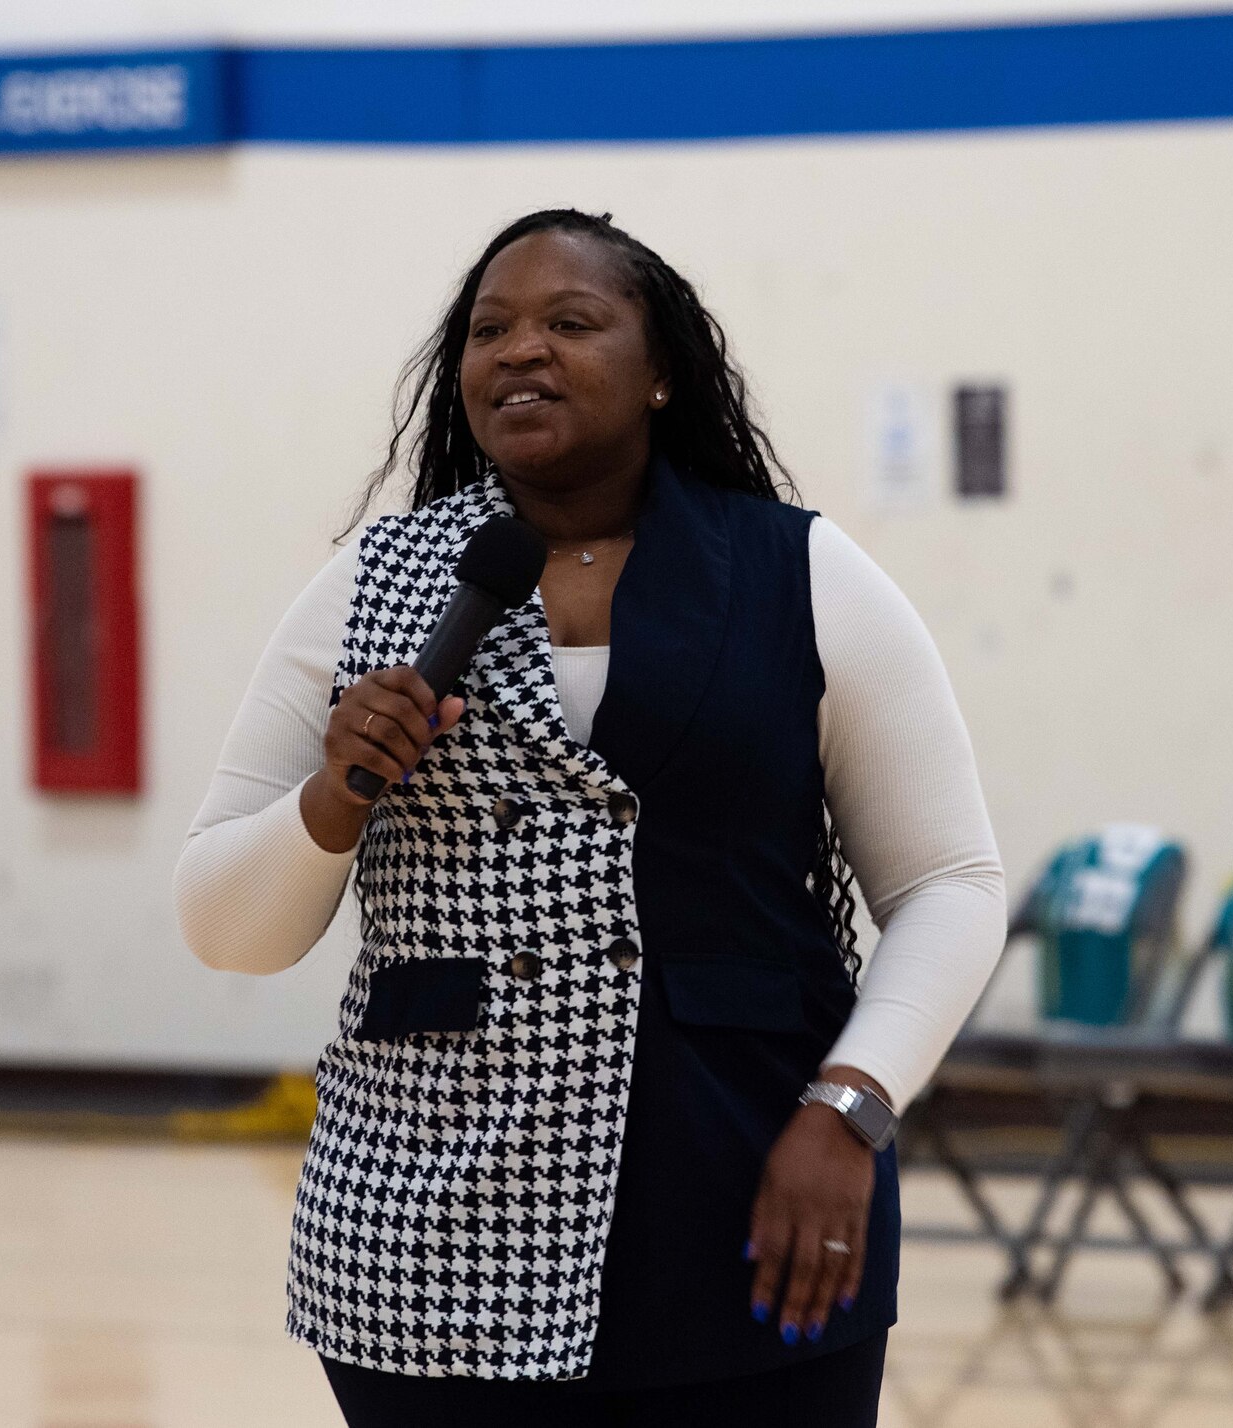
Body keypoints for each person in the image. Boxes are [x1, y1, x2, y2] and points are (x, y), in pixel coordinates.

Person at [173, 208, 1005, 1426]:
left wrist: (849, 1107)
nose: (520, 351)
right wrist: (328, 798)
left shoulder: (801, 573)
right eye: (489, 330)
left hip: (756, 1192)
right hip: (426, 1231)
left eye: (570, 322)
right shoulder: (369, 583)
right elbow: (223, 928)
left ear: (659, 368)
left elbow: (948, 880)